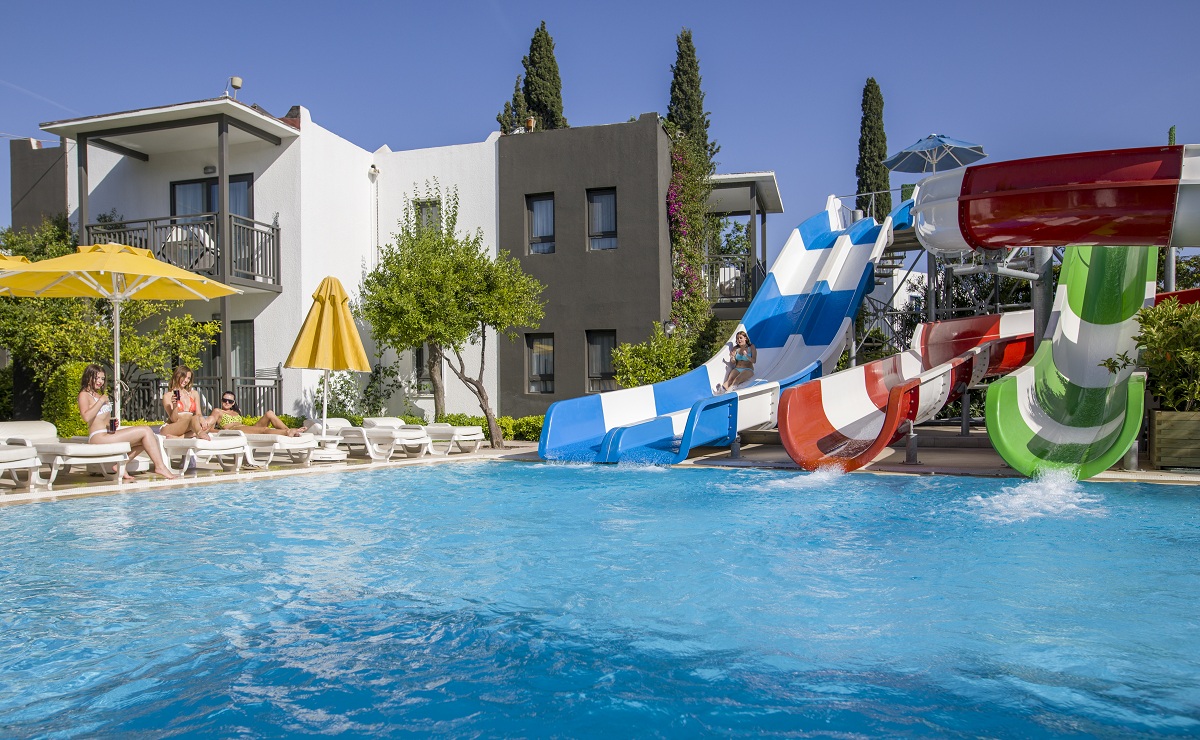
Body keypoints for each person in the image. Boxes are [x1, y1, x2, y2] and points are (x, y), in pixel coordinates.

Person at [78, 364, 176, 481]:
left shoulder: (99, 395)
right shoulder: (84, 395)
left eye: (102, 379)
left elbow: (102, 420)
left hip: (107, 434)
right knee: (145, 430)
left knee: (147, 440)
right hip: (98, 437)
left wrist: (111, 424)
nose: (100, 381)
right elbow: (86, 417)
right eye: (97, 378)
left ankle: (120, 466)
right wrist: (100, 401)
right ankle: (160, 467)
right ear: (89, 377)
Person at [206, 391, 308, 437]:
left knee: (269, 413)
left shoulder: (236, 412)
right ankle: (287, 432)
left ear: (233, 403)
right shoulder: (217, 411)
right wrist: (223, 432)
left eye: (230, 401)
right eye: (225, 400)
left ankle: (289, 430)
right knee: (263, 430)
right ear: (221, 400)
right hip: (235, 431)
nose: (227, 402)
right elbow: (209, 429)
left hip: (245, 428)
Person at [161, 366, 211, 439]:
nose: (186, 380)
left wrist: (202, 419)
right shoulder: (168, 396)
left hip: (189, 425)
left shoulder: (194, 394)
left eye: (188, 378)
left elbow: (198, 414)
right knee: (194, 419)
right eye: (184, 377)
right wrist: (175, 405)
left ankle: (179, 438)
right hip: (173, 426)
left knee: (210, 420)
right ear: (177, 375)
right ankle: (199, 433)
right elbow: (174, 420)